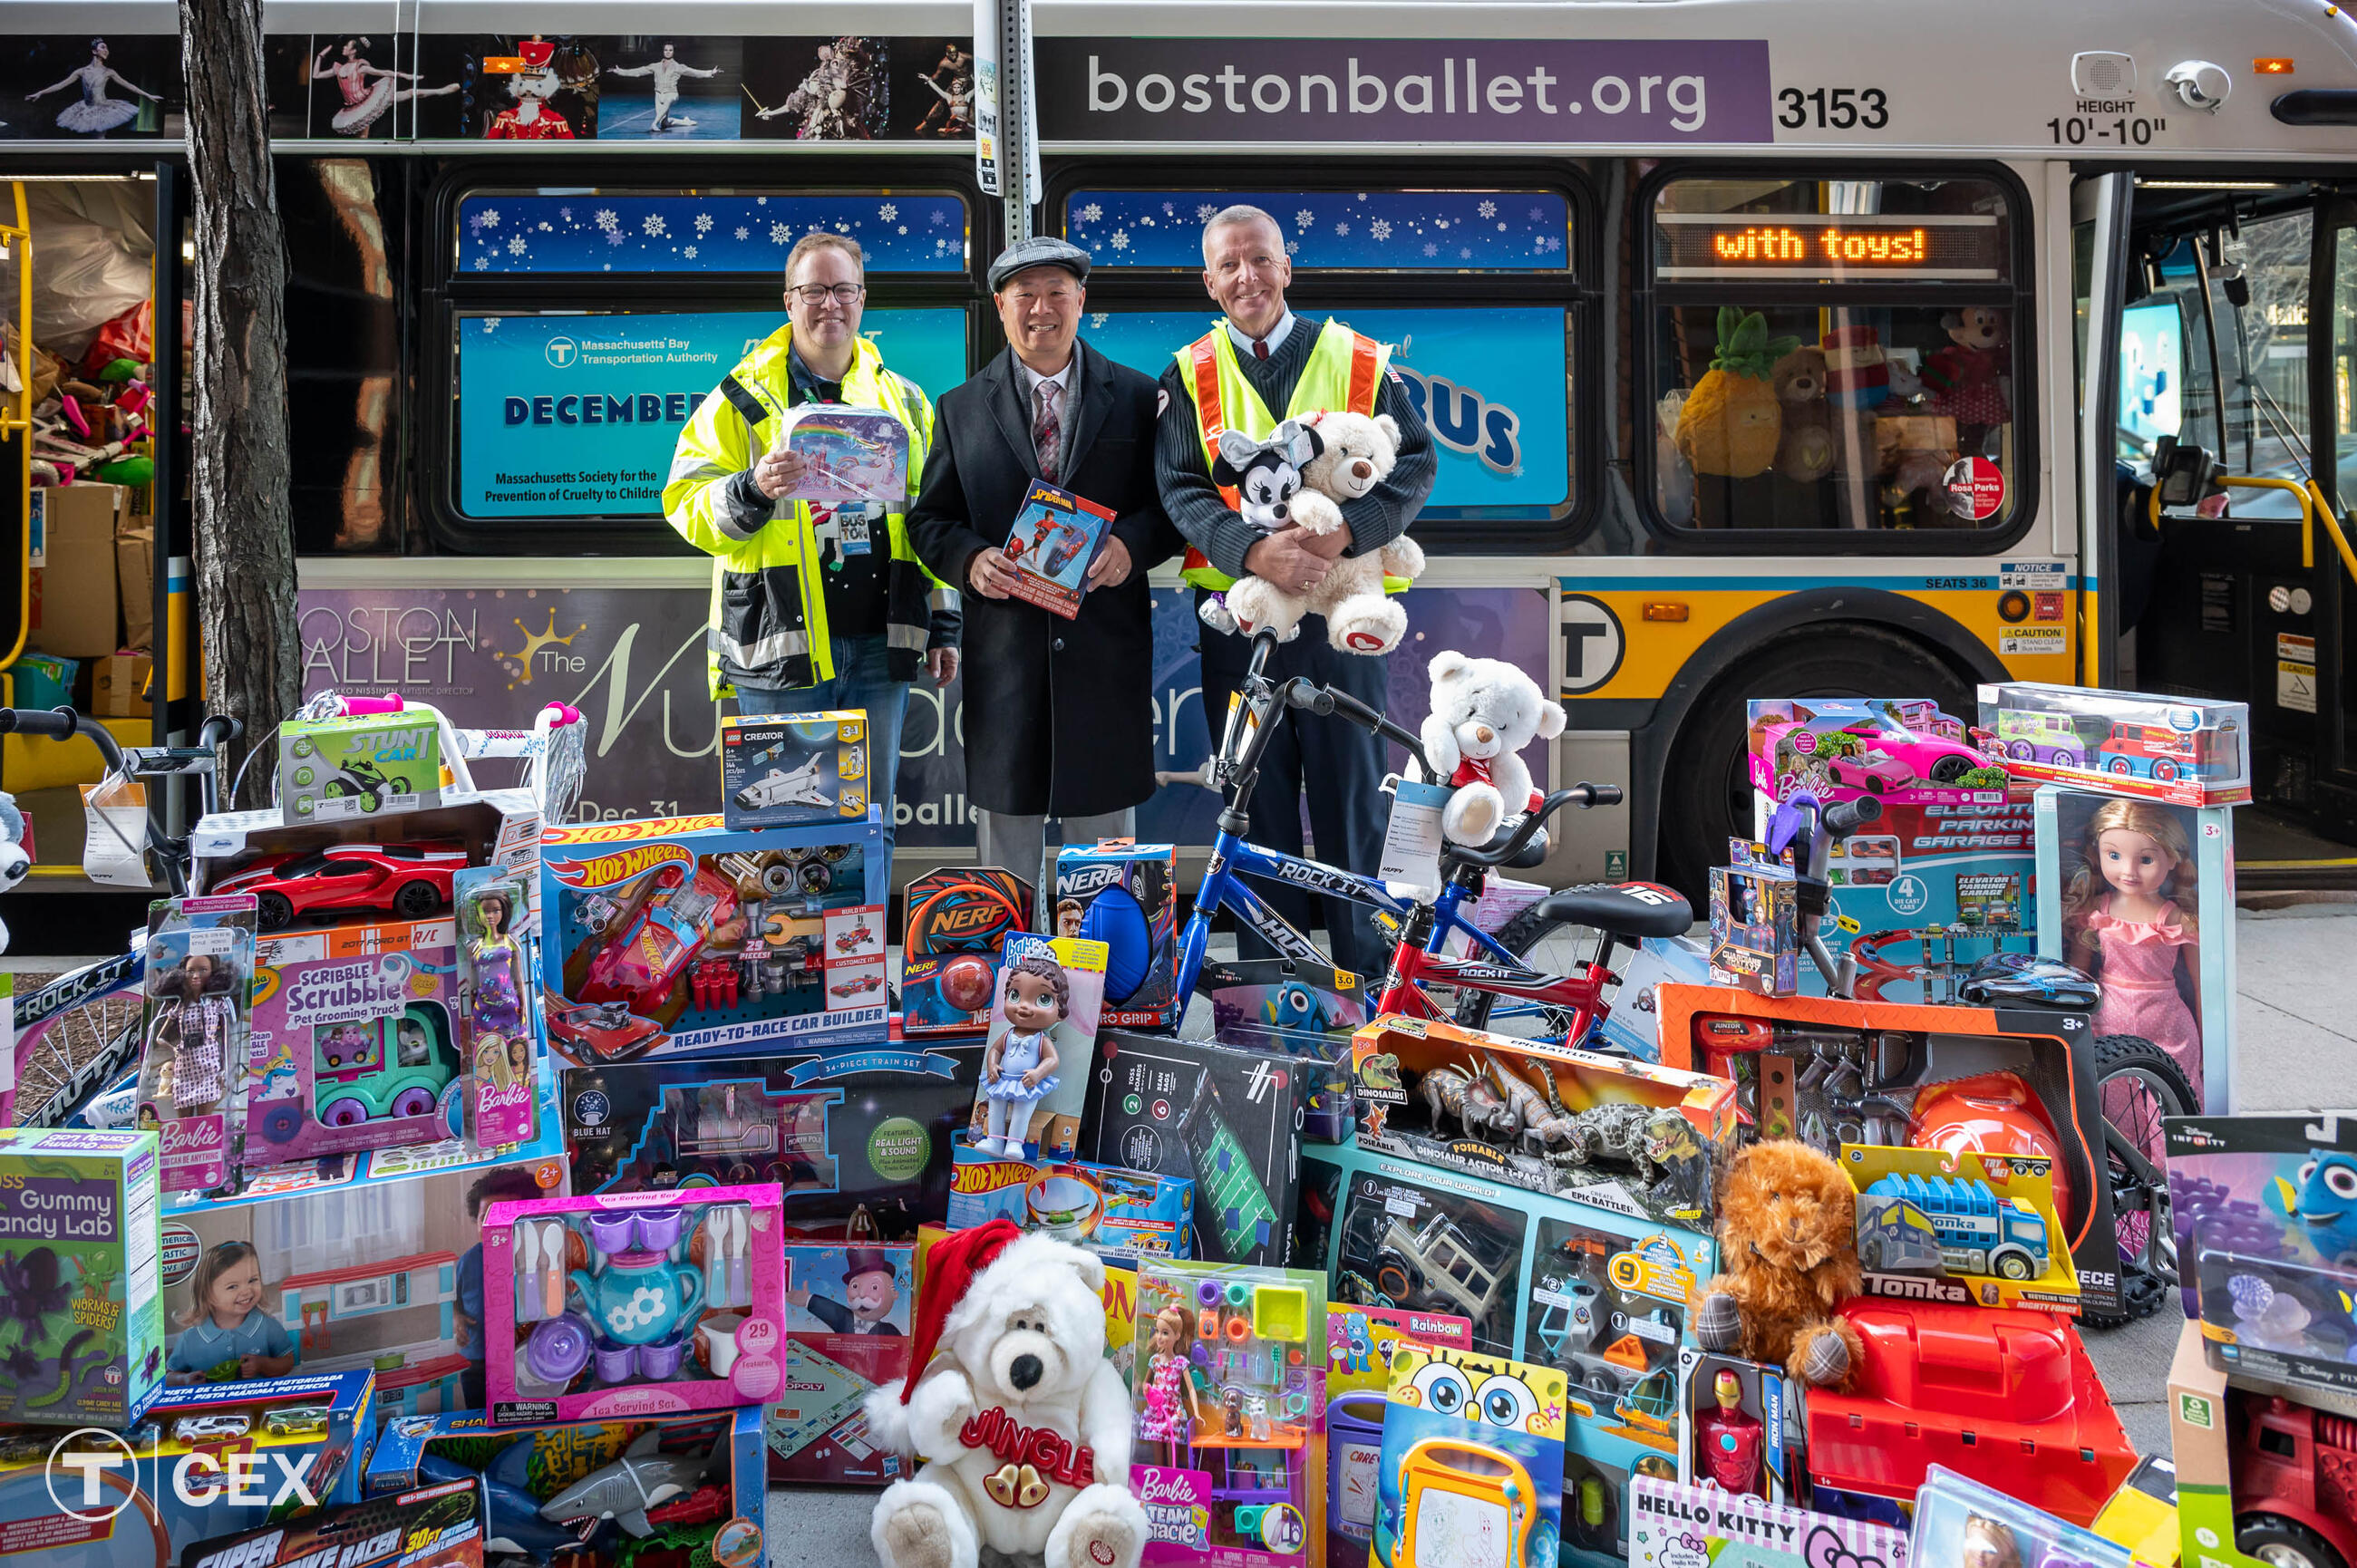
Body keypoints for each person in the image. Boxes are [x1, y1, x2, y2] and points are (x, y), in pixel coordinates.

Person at [1154, 205, 1437, 981]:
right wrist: (1254, 552)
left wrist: (1348, 532)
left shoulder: (1358, 359)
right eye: (1229, 265)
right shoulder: (1187, 373)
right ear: (1208, 282)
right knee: (1254, 811)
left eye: (1260, 259)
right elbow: (1179, 489)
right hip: (1243, 629)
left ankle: (1367, 995)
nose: (1247, 277)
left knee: (1353, 807)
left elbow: (1414, 465)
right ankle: (1267, 1005)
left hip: (1345, 627)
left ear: (1287, 267)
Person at [665, 233, 959, 852]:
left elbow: (934, 519)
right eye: (815, 291)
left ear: (862, 298)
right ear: (789, 301)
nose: (831, 304)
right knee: (786, 824)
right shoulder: (740, 401)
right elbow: (685, 506)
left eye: (843, 289)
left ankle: (863, 946)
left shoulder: (904, 399)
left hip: (882, 644)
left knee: (869, 820)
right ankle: (790, 948)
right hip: (780, 649)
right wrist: (752, 488)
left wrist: (945, 625)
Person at [907, 237, 1174, 895]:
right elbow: (929, 521)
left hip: (1104, 664)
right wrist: (970, 562)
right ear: (1001, 306)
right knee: (1005, 877)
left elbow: (1173, 508)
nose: (1042, 309)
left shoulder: (1141, 399)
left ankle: (1112, 990)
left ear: (1082, 301)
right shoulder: (960, 407)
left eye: (1057, 292)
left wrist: (1129, 548)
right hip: (1007, 670)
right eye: (1025, 295)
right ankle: (1009, 993)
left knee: (1108, 876)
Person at [455, 1167, 546, 1408]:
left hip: (526, 1355)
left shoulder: (538, 1257)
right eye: (486, 1217)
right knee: (478, 1414)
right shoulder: (469, 1260)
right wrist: (456, 1317)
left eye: (506, 1216)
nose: (494, 1225)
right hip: (478, 1359)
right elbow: (453, 1298)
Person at [170, 1243, 295, 1383]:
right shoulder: (190, 1339)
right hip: (211, 1404)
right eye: (232, 1286)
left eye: (252, 1280)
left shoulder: (267, 1326)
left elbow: (288, 1361)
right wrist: (184, 1379)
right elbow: (168, 1376)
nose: (247, 1291)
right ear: (207, 1294)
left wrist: (262, 1364)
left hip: (260, 1403)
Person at [787, 1247, 904, 1336]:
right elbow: (830, 1309)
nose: (861, 1295)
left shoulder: (889, 1331)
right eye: (855, 1286)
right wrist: (807, 1300)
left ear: (894, 1293)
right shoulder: (844, 1319)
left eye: (874, 1287)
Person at [605, 43, 718, 133]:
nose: (668, 52)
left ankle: (653, 123)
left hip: (672, 94)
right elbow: (638, 72)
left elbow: (695, 73)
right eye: (666, 50)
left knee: (667, 103)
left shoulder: (679, 67)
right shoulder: (655, 66)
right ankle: (685, 122)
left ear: (673, 52)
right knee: (665, 124)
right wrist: (620, 72)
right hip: (658, 95)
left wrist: (710, 72)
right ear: (663, 51)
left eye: (670, 50)